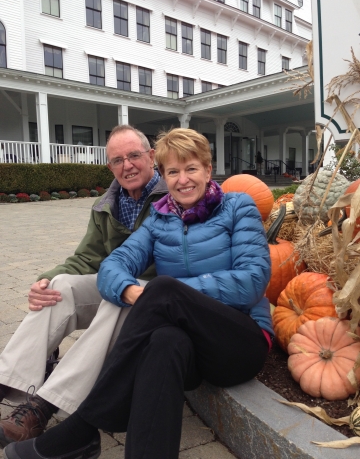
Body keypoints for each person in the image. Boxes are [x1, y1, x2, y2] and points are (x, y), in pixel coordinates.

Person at [3, 128, 273, 459]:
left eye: (191, 168)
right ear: (164, 176)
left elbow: (252, 281)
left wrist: (166, 295)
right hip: (188, 345)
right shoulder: (160, 219)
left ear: (207, 169)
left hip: (237, 339)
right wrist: (133, 292)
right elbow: (112, 266)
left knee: (162, 289)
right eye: (173, 171)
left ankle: (81, 428)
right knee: (164, 342)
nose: (182, 179)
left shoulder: (237, 207)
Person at [0, 125, 168, 446]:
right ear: (109, 167)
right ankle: (7, 379)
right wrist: (45, 280)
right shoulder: (107, 203)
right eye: (117, 160)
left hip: (152, 299)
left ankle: (43, 407)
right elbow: (87, 258)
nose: (127, 165)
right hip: (118, 286)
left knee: (118, 296)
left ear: (151, 156)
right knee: (61, 286)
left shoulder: (172, 196)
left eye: (133, 156)